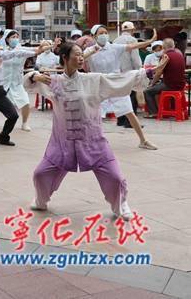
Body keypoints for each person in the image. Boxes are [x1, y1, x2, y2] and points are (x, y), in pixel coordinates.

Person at [25, 41, 150, 220]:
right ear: (64, 58)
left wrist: (148, 73)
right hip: (62, 143)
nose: (80, 57)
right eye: (76, 54)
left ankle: (121, 204)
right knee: (40, 174)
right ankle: (40, 200)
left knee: (115, 178)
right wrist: (34, 75)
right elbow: (28, 84)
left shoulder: (92, 80)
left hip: (92, 140)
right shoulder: (53, 82)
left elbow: (118, 80)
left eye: (81, 54)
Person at [85, 24, 157, 150]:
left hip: (116, 84)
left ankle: (143, 140)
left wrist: (149, 42)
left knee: (129, 112)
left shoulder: (114, 47)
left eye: (105, 32)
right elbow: (79, 58)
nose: (104, 35)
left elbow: (132, 46)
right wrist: (91, 51)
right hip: (100, 85)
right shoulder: (90, 50)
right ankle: (91, 142)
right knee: (95, 116)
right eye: (101, 33)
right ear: (94, 36)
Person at [0, 30, 48, 132]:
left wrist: (47, 45)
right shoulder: (2, 50)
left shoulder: (22, 50)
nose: (15, 38)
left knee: (25, 102)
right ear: (7, 39)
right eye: (13, 37)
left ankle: (25, 123)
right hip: (2, 82)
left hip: (16, 82)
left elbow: (37, 50)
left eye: (17, 36)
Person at [144, 38, 187, 117]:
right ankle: (173, 110)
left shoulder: (165, 56)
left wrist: (152, 84)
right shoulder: (179, 54)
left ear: (163, 46)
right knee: (159, 86)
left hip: (169, 85)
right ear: (173, 45)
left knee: (148, 91)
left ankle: (154, 113)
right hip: (181, 84)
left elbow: (158, 73)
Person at [113, 21, 143, 127]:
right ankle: (130, 122)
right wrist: (139, 69)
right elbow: (135, 59)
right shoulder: (132, 40)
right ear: (132, 30)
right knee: (131, 96)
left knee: (121, 95)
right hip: (129, 72)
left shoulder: (115, 41)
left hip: (117, 71)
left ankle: (120, 120)